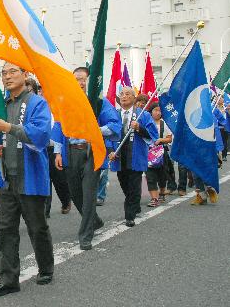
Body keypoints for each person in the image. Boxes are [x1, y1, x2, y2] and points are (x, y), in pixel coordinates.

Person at [0, 62, 55, 297]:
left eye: (12, 71)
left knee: (37, 227)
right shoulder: (0, 104)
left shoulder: (37, 102)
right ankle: (8, 279)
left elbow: (42, 135)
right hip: (4, 177)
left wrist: (9, 127)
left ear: (25, 75)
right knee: (6, 229)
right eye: (3, 73)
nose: (7, 76)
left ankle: (46, 268)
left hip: (30, 176)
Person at [53, 67, 121, 250]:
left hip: (91, 153)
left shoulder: (99, 102)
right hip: (70, 152)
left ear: (89, 82)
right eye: (77, 79)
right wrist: (58, 152)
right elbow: (59, 128)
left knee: (89, 194)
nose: (81, 83)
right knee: (76, 194)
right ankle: (95, 220)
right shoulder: (65, 102)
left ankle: (85, 235)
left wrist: (95, 131)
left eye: (84, 79)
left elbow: (115, 125)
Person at [108, 87, 158, 227]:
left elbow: (153, 135)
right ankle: (135, 204)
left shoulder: (143, 115)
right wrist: (111, 150)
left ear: (134, 97)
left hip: (135, 155)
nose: (124, 96)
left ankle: (129, 216)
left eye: (127, 94)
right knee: (125, 185)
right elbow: (108, 135)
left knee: (134, 186)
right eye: (122, 94)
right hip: (119, 156)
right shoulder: (114, 115)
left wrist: (139, 128)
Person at [145, 103, 173, 207]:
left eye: (160, 111)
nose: (158, 113)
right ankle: (154, 198)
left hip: (161, 153)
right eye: (155, 110)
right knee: (150, 176)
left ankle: (162, 192)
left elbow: (169, 138)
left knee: (162, 175)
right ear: (151, 111)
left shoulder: (163, 124)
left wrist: (161, 140)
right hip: (148, 154)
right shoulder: (146, 123)